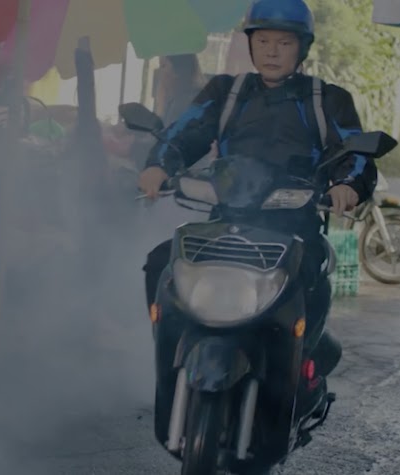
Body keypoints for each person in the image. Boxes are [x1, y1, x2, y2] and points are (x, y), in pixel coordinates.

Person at [138, 0, 376, 444]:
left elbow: (354, 154)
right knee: (159, 263)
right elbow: (185, 132)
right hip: (226, 221)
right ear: (250, 44)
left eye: (283, 42)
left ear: (301, 48)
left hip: (295, 229)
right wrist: (160, 164)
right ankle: (173, 353)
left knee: (310, 285)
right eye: (262, 40)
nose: (271, 51)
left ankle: (302, 371)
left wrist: (348, 186)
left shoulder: (326, 99)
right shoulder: (226, 92)